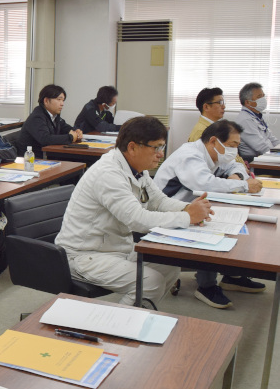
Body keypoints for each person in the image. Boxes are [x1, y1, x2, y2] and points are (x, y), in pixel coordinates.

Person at [54, 116, 213, 308]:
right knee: (150, 282)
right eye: (157, 148)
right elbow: (137, 220)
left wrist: (187, 208)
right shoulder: (109, 174)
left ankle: (137, 318)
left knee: (170, 267)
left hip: (117, 249)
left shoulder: (138, 169)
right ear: (132, 147)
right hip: (85, 255)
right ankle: (111, 329)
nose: (161, 154)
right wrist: (187, 217)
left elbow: (159, 201)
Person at [154, 120, 264, 308]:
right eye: (232, 145)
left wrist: (236, 176)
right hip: (167, 210)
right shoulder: (190, 155)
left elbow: (236, 166)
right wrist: (243, 184)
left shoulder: (212, 154)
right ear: (214, 141)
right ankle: (206, 285)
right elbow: (204, 183)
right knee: (213, 224)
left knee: (235, 219)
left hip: (190, 206)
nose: (234, 151)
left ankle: (230, 275)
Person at [16, 84, 83, 156]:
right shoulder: (37, 117)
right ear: (46, 101)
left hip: (48, 155)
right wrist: (70, 137)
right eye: (59, 99)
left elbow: (65, 127)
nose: (62, 104)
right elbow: (45, 139)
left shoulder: (54, 115)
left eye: (63, 100)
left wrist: (76, 131)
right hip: (32, 159)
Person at [235, 82, 279, 160]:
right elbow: (261, 147)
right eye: (259, 96)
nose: (263, 99)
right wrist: (275, 156)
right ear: (247, 102)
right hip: (256, 161)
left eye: (263, 96)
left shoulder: (256, 116)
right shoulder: (245, 120)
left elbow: (272, 138)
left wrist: (277, 149)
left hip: (268, 156)